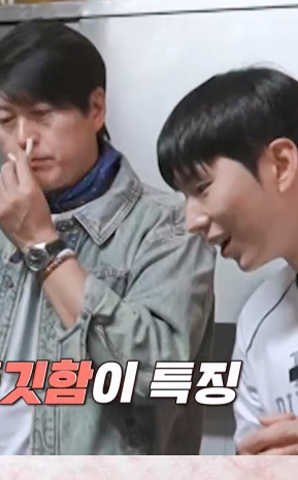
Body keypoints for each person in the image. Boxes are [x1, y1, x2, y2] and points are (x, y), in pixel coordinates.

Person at [0, 20, 217, 455]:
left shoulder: (168, 226)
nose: (23, 139)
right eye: (6, 120)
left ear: (96, 109)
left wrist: (42, 244)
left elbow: (155, 375)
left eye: (43, 115)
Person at [157, 66, 298, 455]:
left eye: (202, 188)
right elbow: (251, 457)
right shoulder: (258, 323)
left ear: (281, 164)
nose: (192, 221)